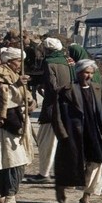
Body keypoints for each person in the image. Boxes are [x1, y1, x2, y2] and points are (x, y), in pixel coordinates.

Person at [53, 58, 102, 203]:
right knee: (70, 164)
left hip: (94, 132)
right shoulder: (67, 90)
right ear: (78, 73)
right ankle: (62, 185)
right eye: (86, 72)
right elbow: (57, 115)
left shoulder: (97, 89)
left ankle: (85, 198)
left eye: (91, 73)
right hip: (73, 133)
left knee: (98, 161)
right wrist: (62, 134)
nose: (89, 76)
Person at [0, 47, 35, 203]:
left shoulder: (13, 74)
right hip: (8, 124)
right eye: (18, 61)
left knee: (9, 164)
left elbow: (24, 96)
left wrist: (28, 97)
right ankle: (10, 201)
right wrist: (18, 85)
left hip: (19, 121)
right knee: (15, 164)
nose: (21, 65)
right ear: (10, 60)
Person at [31, 37, 73, 182]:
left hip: (53, 107)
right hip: (71, 106)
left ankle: (44, 173)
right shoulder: (70, 61)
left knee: (45, 141)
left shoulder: (49, 63)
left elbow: (53, 87)